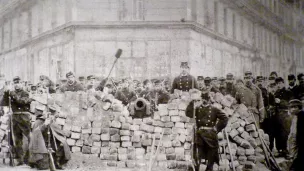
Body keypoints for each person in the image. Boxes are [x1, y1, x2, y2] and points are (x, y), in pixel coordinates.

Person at [186, 90, 228, 171]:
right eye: (203, 99)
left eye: (206, 99)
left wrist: (216, 128)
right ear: (201, 99)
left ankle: (209, 168)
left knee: (211, 157)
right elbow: (188, 114)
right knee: (199, 156)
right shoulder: (197, 109)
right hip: (200, 135)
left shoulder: (214, 109)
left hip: (211, 136)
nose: (205, 101)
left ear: (209, 99)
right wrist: (192, 103)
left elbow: (225, 118)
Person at [3, 76, 34, 165]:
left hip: (24, 116)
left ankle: (28, 158)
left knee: (29, 137)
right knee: (16, 139)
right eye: (15, 83)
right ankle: (19, 159)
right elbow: (3, 103)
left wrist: (12, 94)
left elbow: (22, 102)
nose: (17, 85)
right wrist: (6, 94)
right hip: (15, 117)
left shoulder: (25, 93)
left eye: (18, 83)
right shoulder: (11, 93)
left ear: (22, 84)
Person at [29, 105, 71, 170]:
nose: (51, 116)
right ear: (45, 113)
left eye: (52, 114)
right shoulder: (39, 121)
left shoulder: (52, 121)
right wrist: (45, 125)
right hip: (41, 145)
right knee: (43, 167)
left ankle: (57, 162)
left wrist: (66, 133)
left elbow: (57, 131)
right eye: (49, 113)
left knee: (62, 143)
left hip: (51, 143)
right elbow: (35, 133)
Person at [273, 77, 293, 158]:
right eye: (277, 84)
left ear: (283, 83)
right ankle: (279, 150)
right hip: (278, 115)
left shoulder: (288, 92)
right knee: (278, 133)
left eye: (280, 83)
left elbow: (291, 104)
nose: (278, 85)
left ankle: (286, 150)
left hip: (286, 115)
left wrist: (280, 101)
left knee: (285, 133)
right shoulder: (276, 93)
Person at [257, 76, 276, 151]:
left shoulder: (267, 92)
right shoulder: (255, 91)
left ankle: (270, 148)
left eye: (261, 81)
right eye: (258, 81)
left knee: (269, 131)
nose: (260, 82)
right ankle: (261, 149)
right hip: (259, 114)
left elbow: (272, 103)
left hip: (267, 115)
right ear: (256, 82)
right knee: (260, 131)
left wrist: (270, 108)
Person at [288, 99, 304, 171]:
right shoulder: (294, 117)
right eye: (291, 107)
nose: (293, 109)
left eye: (295, 107)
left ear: (299, 108)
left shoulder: (301, 116)